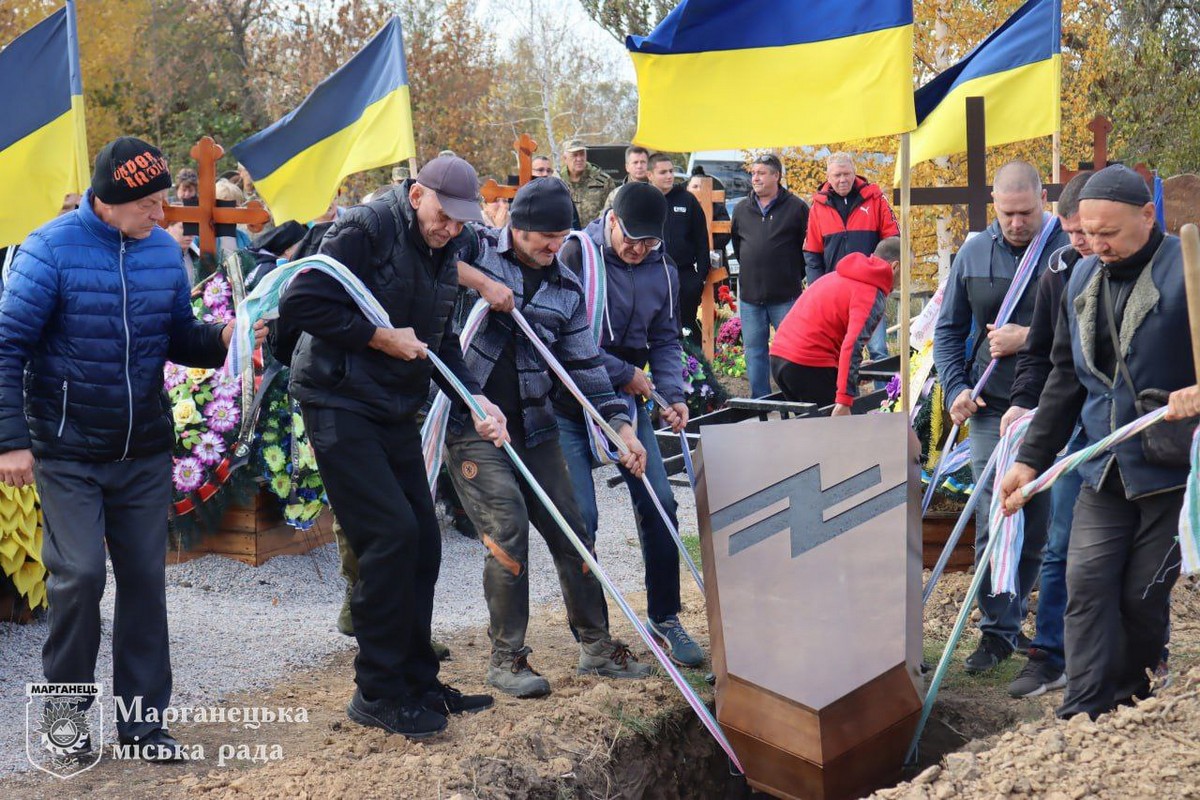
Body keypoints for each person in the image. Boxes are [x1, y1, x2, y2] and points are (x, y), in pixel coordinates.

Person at [0, 136, 267, 761]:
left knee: (146, 583)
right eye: (149, 203)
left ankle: (144, 727)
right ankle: (64, 725)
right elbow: (6, 346)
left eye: (162, 202)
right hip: (67, 451)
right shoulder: (48, 250)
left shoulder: (160, 256)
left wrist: (225, 336)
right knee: (79, 579)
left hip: (144, 449)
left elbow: (176, 337)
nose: (161, 215)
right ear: (109, 200)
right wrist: (9, 441)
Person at [279, 155, 507, 738]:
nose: (449, 229)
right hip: (336, 399)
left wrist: (475, 402)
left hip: (392, 407)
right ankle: (376, 692)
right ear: (415, 195)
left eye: (460, 222)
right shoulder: (365, 228)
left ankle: (416, 679)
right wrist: (379, 337)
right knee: (389, 535)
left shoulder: (447, 250)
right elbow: (300, 302)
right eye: (442, 216)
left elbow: (438, 339)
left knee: (424, 541)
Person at [1000, 165, 1195, 720]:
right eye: (1088, 232)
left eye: (1109, 232)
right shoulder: (1080, 279)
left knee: (1139, 596)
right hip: (1104, 466)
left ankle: (1130, 699)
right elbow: (1064, 378)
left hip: (1171, 470)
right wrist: (1031, 460)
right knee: (1084, 586)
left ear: (1148, 215)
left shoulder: (1189, 270)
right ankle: (1083, 715)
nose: (1098, 244)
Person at [448, 179, 653, 696]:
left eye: (560, 237)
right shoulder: (474, 246)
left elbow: (586, 370)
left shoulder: (567, 288)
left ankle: (598, 647)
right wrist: (481, 285)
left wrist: (622, 429)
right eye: (543, 237)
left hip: (535, 426)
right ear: (516, 227)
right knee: (509, 529)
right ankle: (507, 659)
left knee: (574, 529)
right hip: (472, 424)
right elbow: (427, 264)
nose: (552, 247)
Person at [553, 182, 704, 668]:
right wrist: (627, 375)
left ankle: (665, 616)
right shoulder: (576, 256)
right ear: (611, 220)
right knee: (583, 519)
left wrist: (671, 396)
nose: (637, 251)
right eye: (630, 240)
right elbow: (559, 341)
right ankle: (593, 636)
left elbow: (665, 338)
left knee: (660, 502)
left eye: (649, 243)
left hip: (628, 396)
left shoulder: (663, 268)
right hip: (569, 396)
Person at [933, 160, 1070, 673]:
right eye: (1008, 213)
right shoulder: (973, 252)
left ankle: (1019, 617)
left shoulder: (1065, 250)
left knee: (1039, 517)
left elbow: (1085, 328)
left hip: (1053, 402)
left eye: (1027, 212)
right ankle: (996, 633)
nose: (1017, 223)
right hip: (992, 406)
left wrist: (1026, 336)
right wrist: (957, 387)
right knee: (997, 511)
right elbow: (949, 331)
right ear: (994, 205)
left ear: (1044, 200)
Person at [1000, 171, 1093, 699]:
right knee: (1059, 543)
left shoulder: (1162, 264)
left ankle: (1150, 653)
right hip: (1073, 424)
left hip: (1137, 427)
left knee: (1139, 549)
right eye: (1073, 231)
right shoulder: (1060, 272)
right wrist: (1022, 403)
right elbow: (1047, 357)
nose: (1081, 243)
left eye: (1090, 232)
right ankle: (1049, 654)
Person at [769, 237, 901, 412]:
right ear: (895, 267)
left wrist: (848, 370)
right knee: (842, 432)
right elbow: (852, 345)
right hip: (807, 362)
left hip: (780, 358)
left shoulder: (843, 275)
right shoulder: (871, 292)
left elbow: (829, 329)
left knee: (814, 432)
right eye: (910, 270)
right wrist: (845, 400)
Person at [803, 152, 899, 362]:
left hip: (870, 290)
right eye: (837, 175)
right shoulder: (818, 208)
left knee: (878, 352)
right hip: (835, 294)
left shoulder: (875, 199)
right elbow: (812, 254)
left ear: (855, 173)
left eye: (847, 174)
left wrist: (883, 280)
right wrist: (818, 290)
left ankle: (885, 396)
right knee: (835, 354)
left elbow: (893, 242)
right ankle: (839, 396)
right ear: (828, 177)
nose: (842, 179)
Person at [730, 153, 810, 397]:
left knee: (792, 351)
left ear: (776, 176)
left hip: (786, 296)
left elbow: (806, 248)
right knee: (754, 352)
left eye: (761, 173)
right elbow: (738, 246)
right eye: (753, 173)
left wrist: (791, 274)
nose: (755, 178)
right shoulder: (742, 209)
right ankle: (761, 402)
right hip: (750, 297)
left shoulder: (796, 208)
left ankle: (795, 400)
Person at [648, 153, 710, 339]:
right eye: (663, 172)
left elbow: (701, 240)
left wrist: (699, 279)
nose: (669, 176)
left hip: (684, 277)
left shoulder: (687, 200)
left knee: (687, 330)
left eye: (671, 171)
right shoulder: (644, 200)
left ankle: (691, 366)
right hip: (650, 274)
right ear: (650, 175)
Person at [561, 139, 615, 227]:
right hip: (565, 237)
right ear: (565, 158)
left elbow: (612, 213)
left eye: (582, 154)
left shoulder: (603, 181)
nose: (579, 159)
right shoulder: (557, 182)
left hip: (595, 237)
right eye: (575, 155)